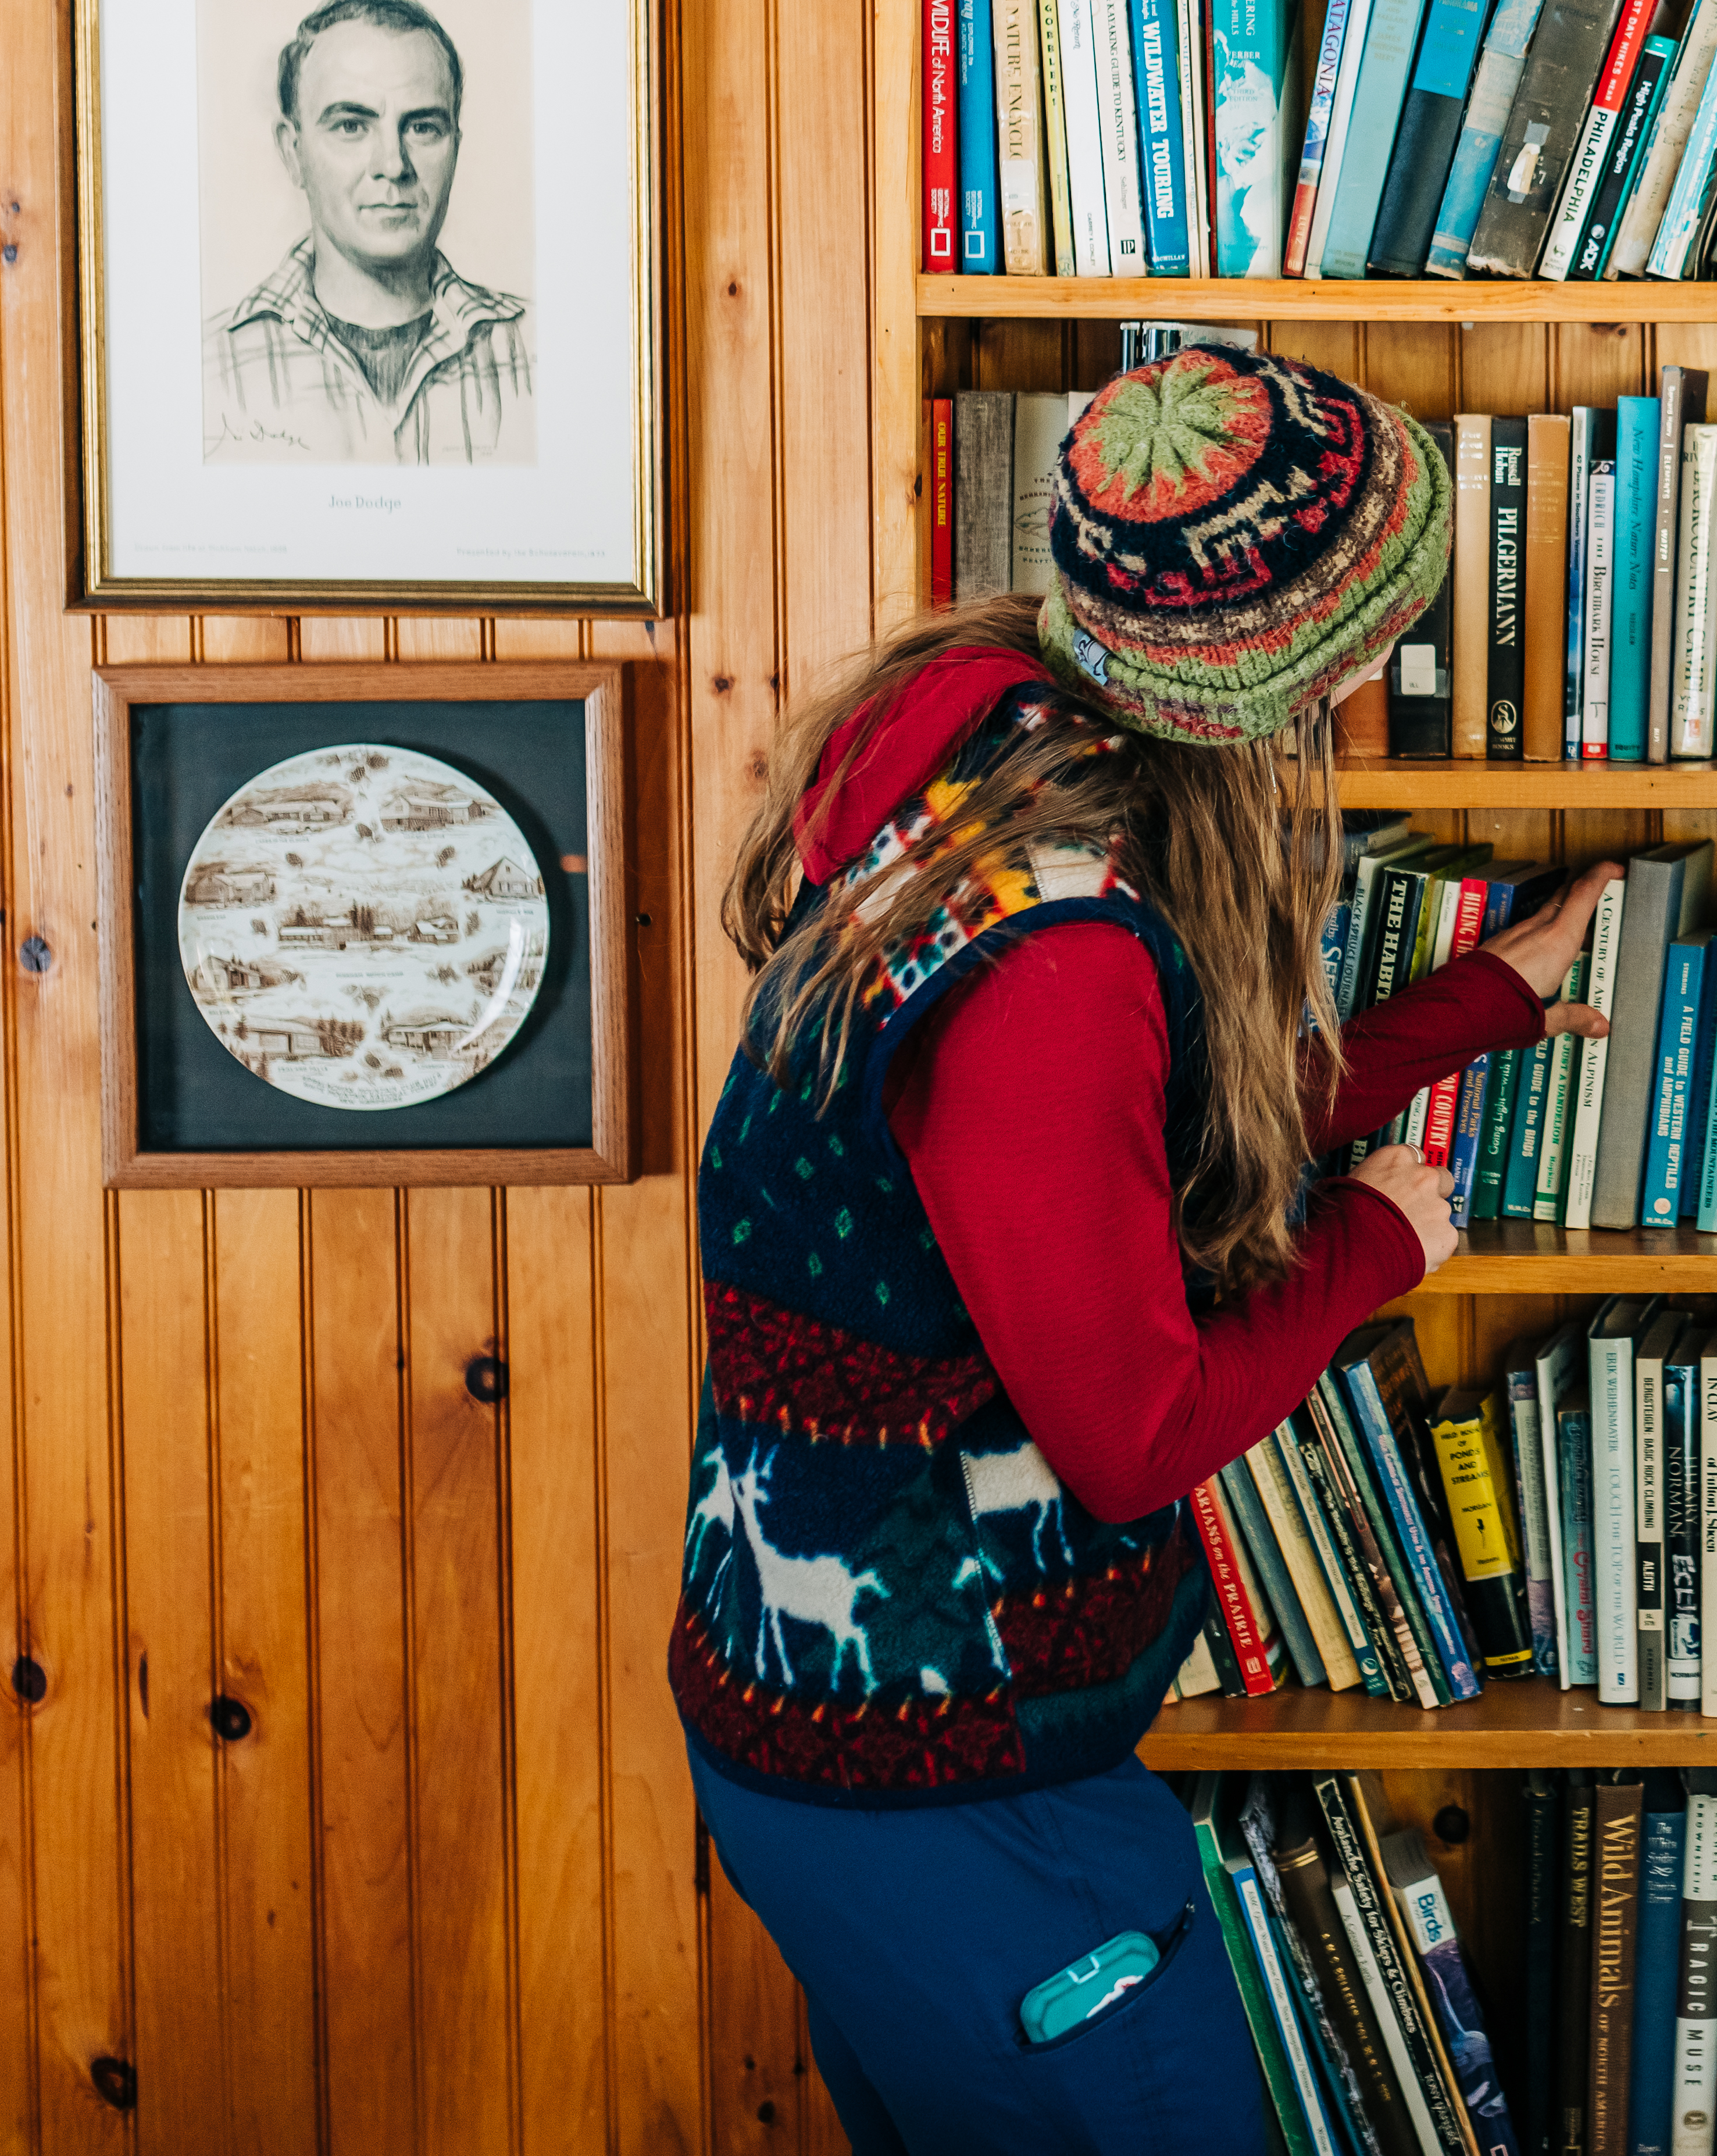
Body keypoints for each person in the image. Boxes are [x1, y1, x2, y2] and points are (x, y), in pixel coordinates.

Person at [670, 341, 1614, 2154]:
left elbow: (1126, 1154)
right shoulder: (1059, 961)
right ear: (1275, 668)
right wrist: (1377, 1245)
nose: (1373, 685)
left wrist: (1484, 1000)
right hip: (945, 1783)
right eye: (1358, 644)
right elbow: (1134, 1429)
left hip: (843, 1742)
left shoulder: (975, 730)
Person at [204, 0, 537, 463]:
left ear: (456, 147)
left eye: (422, 128)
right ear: (292, 152)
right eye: (351, 126)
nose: (393, 164)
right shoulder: (209, 368)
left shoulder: (542, 355)